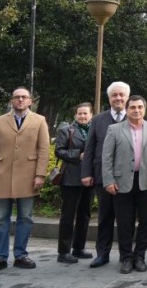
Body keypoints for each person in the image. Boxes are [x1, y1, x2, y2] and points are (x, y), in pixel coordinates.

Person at [0, 87, 50, 274]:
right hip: (2, 176)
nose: (20, 100)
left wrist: (40, 175)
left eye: (24, 97)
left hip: (29, 178)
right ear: (12, 101)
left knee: (25, 218)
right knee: (1, 219)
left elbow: (44, 150)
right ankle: (0, 257)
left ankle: (20, 255)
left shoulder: (40, 121)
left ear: (30, 101)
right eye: (17, 97)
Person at [101, 95, 147, 274]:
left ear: (144, 109)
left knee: (146, 221)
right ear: (127, 109)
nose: (136, 111)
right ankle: (126, 258)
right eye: (133, 108)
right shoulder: (114, 129)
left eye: (140, 107)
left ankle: (140, 257)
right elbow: (107, 158)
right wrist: (109, 180)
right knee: (124, 222)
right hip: (121, 183)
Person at [81, 81, 130, 268]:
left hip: (127, 177)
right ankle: (102, 253)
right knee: (105, 217)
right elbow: (90, 148)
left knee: (126, 219)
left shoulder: (135, 117)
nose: (118, 98)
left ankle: (126, 255)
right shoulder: (98, 120)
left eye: (121, 95)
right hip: (103, 176)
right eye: (114, 95)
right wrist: (86, 173)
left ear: (127, 97)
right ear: (109, 98)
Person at [55, 102, 94, 264]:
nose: (83, 116)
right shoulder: (66, 130)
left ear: (91, 115)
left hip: (90, 178)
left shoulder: (95, 130)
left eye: (85, 113)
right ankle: (63, 251)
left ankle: (79, 248)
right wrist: (78, 155)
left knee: (85, 215)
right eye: (80, 113)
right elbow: (59, 151)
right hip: (71, 178)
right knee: (68, 215)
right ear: (75, 115)